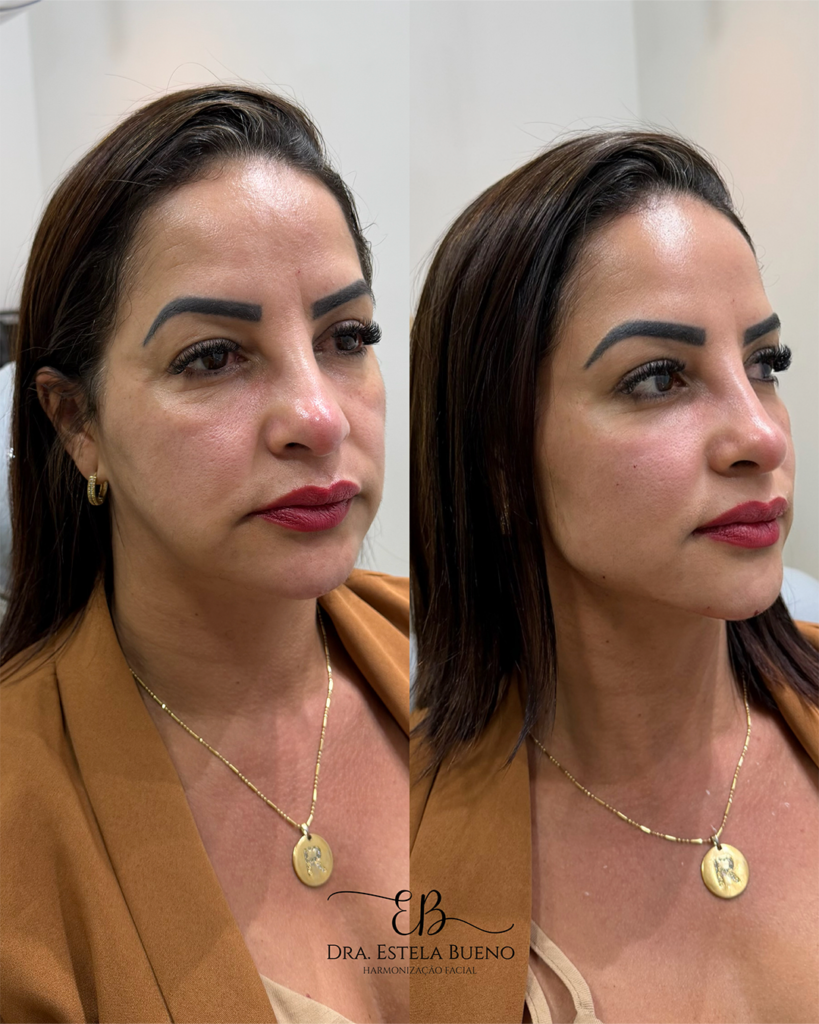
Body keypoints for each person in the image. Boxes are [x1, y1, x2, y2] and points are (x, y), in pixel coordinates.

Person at [1, 86, 409, 1024]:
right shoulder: (20, 808)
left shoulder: (493, 660)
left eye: (346, 337)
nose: (318, 417)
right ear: (77, 423)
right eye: (213, 357)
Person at [410, 131, 818, 1024]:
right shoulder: (394, 842)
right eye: (659, 378)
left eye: (764, 364)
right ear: (500, 458)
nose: (760, 436)